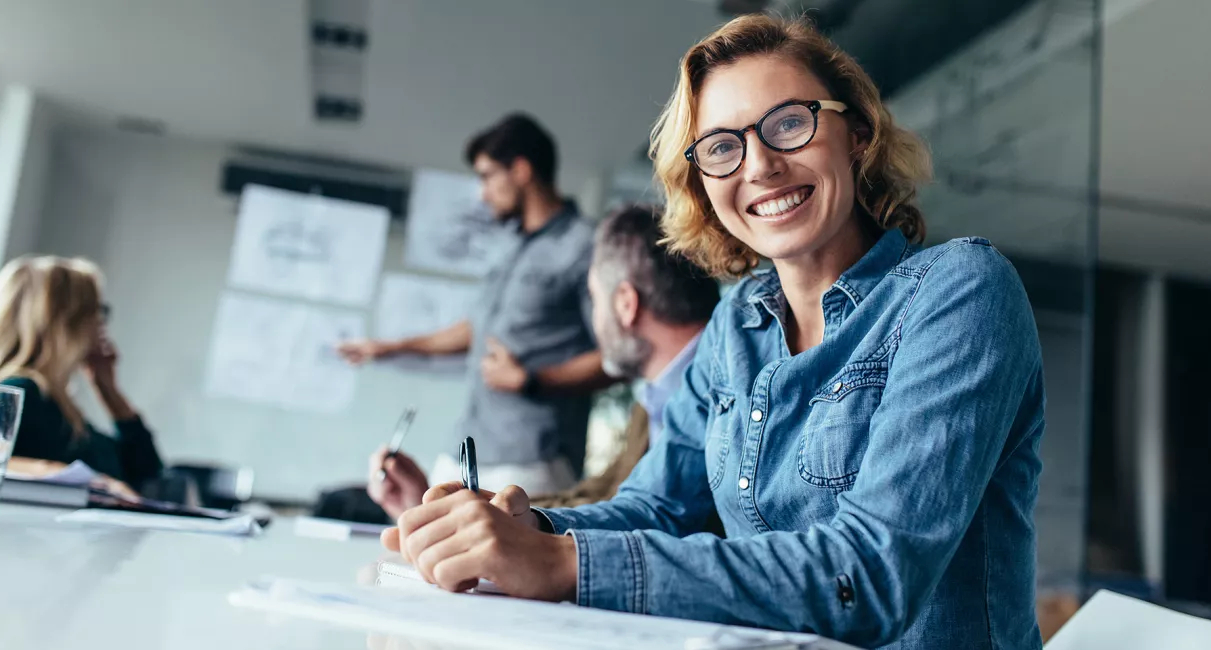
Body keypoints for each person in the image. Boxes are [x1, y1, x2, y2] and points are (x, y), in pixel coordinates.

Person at [382, 15, 1046, 650]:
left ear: (858, 136)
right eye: (723, 147)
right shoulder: (738, 322)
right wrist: (523, 528)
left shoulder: (960, 290)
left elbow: (869, 575)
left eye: (790, 123)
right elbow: (658, 507)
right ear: (703, 181)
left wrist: (563, 562)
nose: (759, 166)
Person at [367, 205, 721, 518]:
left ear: (626, 305)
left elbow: (640, 525)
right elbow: (602, 500)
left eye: (595, 301)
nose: (593, 326)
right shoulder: (653, 405)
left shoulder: (722, 399)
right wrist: (442, 512)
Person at [338, 114, 614, 494]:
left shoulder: (586, 246)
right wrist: (390, 347)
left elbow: (619, 357)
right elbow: (479, 327)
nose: (483, 193)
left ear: (520, 170)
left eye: (487, 176)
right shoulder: (508, 245)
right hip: (464, 449)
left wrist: (532, 382)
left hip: (531, 461)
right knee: (422, 546)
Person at [0, 257, 163, 494]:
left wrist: (107, 387)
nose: (101, 324)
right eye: (96, 310)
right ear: (65, 321)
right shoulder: (22, 390)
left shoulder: (56, 404)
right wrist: (91, 482)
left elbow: (146, 472)